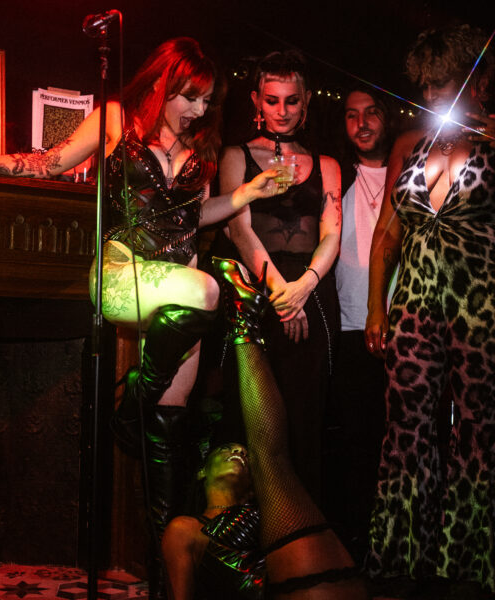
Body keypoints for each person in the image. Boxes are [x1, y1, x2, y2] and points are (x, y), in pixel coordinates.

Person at [0, 37, 281, 600]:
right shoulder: (116, 120)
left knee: (166, 431)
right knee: (213, 287)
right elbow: (49, 162)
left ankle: (165, 576)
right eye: (189, 96)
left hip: (178, 287)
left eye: (207, 100)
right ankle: (132, 395)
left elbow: (194, 216)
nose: (198, 110)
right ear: (162, 84)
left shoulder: (202, 149)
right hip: (121, 272)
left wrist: (245, 194)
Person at [364, 24, 495, 594]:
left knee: (479, 427)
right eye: (425, 83)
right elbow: (385, 235)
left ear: (473, 79)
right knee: (406, 426)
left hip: (481, 302)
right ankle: (401, 558)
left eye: (442, 82)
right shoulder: (409, 144)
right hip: (415, 300)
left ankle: (470, 562)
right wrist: (377, 308)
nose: (431, 93)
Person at [162, 257, 367, 600]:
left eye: (239, 450)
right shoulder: (186, 528)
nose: (236, 451)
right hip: (299, 587)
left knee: (272, 460)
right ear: (201, 471)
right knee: (271, 458)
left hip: (305, 578)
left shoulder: (267, 518)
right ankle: (243, 320)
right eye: (227, 449)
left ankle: (243, 319)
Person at [219, 50, 341, 501]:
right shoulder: (235, 156)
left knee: (304, 416)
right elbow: (238, 229)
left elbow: (332, 234)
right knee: (251, 416)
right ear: (257, 100)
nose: (283, 110)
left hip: (312, 290)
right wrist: (281, 295)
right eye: (272, 100)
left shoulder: (327, 164)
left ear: (306, 101)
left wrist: (304, 287)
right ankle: (247, 528)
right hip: (257, 290)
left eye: (292, 101)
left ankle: (300, 529)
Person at [329, 85, 394, 560]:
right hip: (351, 326)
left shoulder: (409, 172)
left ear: (386, 117)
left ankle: (398, 546)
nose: (362, 123)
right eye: (352, 115)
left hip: (406, 326)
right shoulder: (335, 175)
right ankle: (357, 544)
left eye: (371, 113)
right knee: (357, 442)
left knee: (402, 442)